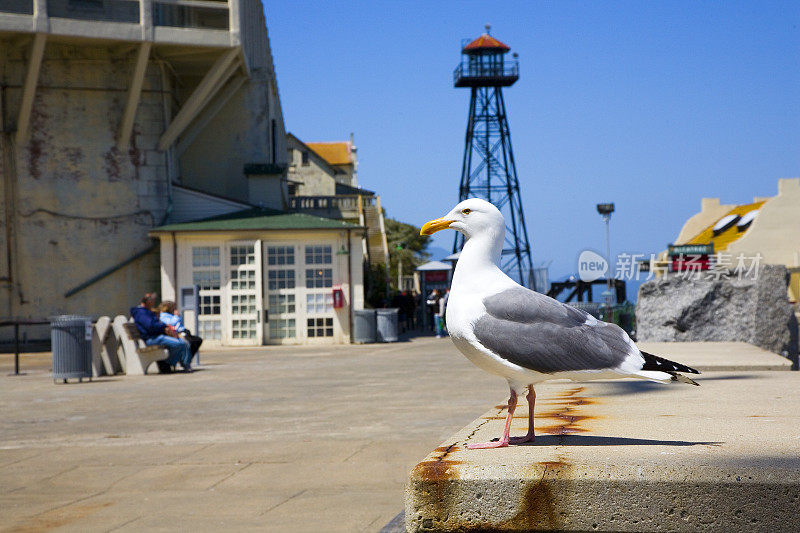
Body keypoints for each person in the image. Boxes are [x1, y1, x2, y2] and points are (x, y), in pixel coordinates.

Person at [130, 293, 193, 373]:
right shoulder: (141, 313)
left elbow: (155, 324)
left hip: (157, 336)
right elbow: (150, 326)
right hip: (151, 338)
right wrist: (163, 328)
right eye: (152, 301)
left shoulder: (146, 311)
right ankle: (167, 363)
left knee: (183, 342)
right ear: (147, 302)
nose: (153, 303)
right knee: (179, 344)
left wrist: (164, 327)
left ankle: (183, 364)